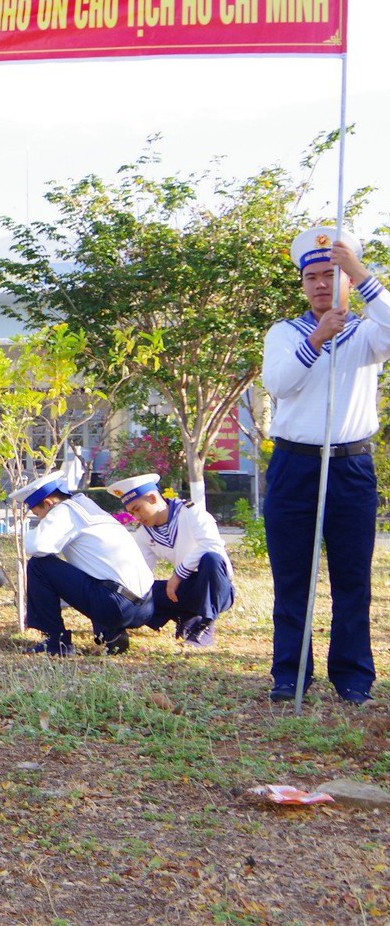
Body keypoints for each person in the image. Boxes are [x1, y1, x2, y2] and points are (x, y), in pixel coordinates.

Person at [261, 226, 388, 704]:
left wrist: (361, 269)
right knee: (292, 577)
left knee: (352, 577)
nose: (320, 284)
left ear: (349, 281)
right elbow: (280, 383)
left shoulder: (371, 332)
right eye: (311, 276)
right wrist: (316, 338)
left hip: (350, 467)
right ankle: (290, 674)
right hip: (296, 466)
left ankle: (353, 677)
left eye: (332, 274)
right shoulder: (285, 333)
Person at [13, 473, 154, 657]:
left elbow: (36, 546)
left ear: (48, 503)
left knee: (39, 565)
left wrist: (30, 534)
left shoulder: (64, 510)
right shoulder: (87, 506)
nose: (41, 519)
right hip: (145, 606)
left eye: (39, 514)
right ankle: (112, 634)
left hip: (117, 604)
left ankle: (55, 641)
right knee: (94, 571)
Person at [105, 473, 235, 648]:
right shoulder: (144, 533)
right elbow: (141, 571)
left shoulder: (191, 512)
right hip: (187, 589)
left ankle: (205, 626)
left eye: (137, 509)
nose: (136, 517)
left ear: (152, 498)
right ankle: (187, 616)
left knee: (211, 559)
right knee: (144, 591)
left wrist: (178, 575)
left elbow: (212, 545)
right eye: (131, 513)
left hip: (217, 588)